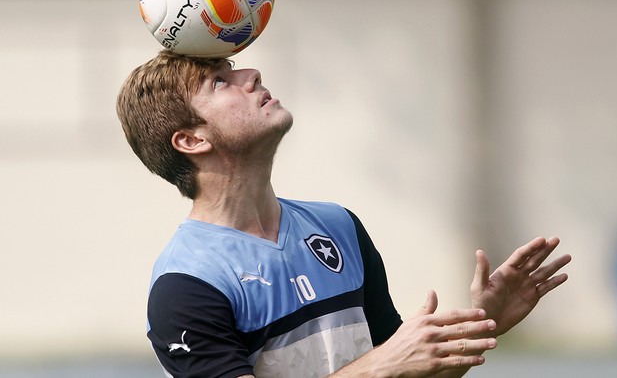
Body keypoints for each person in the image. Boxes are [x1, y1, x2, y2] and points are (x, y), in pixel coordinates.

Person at [116, 50, 571, 378]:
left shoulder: (338, 226)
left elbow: (403, 372)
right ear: (191, 140)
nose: (251, 74)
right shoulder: (187, 285)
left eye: (233, 68)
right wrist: (382, 366)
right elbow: (387, 367)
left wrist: (478, 324)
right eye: (219, 81)